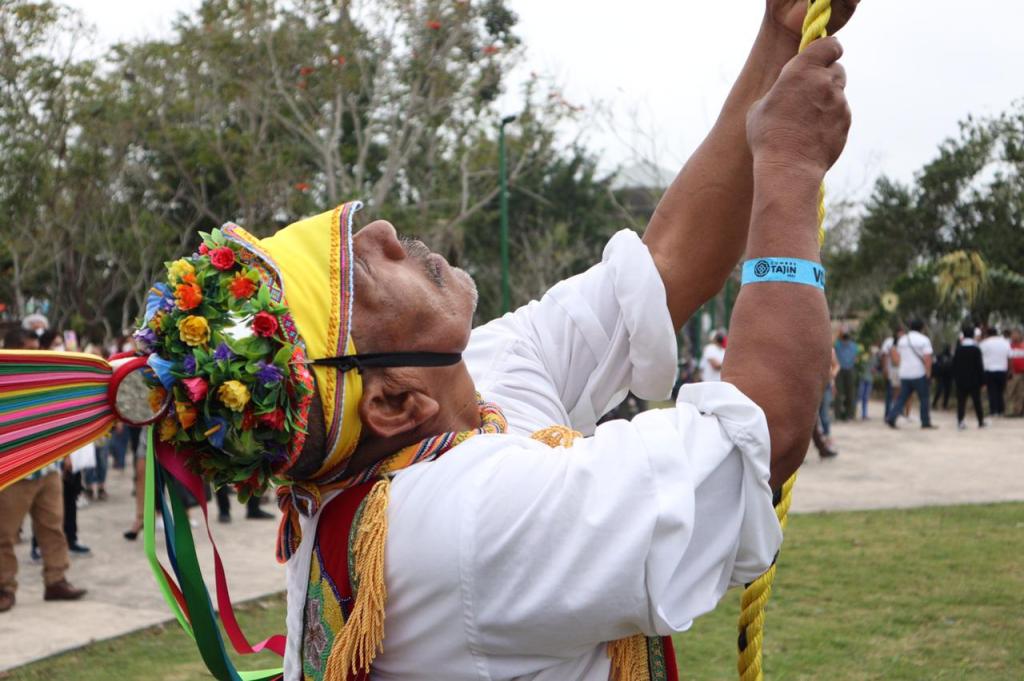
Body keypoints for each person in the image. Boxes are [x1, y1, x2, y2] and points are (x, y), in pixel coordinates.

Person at [5, 3, 859, 676]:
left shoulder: (461, 382)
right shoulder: (458, 523)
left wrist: (777, 32)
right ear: (389, 400)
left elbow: (667, 260)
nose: (384, 229)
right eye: (366, 271)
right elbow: (760, 430)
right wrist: (787, 173)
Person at [0, 327, 87, 612]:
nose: (36, 354)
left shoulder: (43, 378)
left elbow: (54, 418)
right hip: (14, 469)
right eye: (29, 349)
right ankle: (4, 587)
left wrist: (64, 453)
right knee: (4, 534)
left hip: (47, 467)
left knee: (53, 527)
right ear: (12, 350)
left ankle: (56, 580)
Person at [886, 319, 935, 429]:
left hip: (905, 373)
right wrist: (928, 373)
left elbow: (897, 356)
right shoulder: (924, 340)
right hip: (919, 373)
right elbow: (927, 358)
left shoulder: (903, 340)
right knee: (924, 398)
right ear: (922, 328)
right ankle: (925, 421)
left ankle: (892, 417)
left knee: (902, 398)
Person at [952, 323, 986, 430]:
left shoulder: (959, 349)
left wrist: (955, 378)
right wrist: (983, 381)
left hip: (961, 380)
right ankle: (980, 422)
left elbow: (954, 365)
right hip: (974, 381)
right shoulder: (976, 349)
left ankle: (960, 421)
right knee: (977, 401)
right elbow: (979, 366)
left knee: (961, 402)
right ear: (972, 335)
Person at [979, 326, 1011, 417]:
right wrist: (1009, 370)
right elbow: (1009, 357)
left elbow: (980, 357)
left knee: (992, 391)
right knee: (1000, 391)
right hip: (1002, 370)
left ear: (987, 334)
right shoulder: (1005, 342)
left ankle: (994, 411)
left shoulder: (984, 343)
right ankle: (1001, 410)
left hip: (989, 370)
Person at [833, 326, 858, 421]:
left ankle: (847, 415)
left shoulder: (840, 344)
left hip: (846, 370)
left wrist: (839, 333)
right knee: (842, 394)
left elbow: (855, 357)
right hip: (843, 370)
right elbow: (855, 358)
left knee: (849, 393)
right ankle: (844, 415)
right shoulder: (839, 345)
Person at [880, 326, 903, 418]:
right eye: (900, 332)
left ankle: (897, 412)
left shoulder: (903, 342)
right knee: (890, 393)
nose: (901, 335)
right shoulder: (889, 342)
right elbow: (884, 356)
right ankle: (888, 413)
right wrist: (885, 369)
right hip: (891, 371)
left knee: (899, 394)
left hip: (901, 372)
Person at [1007, 328, 1024, 417]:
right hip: (1013, 373)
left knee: (1020, 393)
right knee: (1011, 392)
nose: (1014, 336)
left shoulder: (1023, 345)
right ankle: (1011, 410)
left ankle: (1019, 411)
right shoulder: (1009, 346)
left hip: (1022, 373)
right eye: (1013, 334)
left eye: (1016, 334)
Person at [931, 344, 953, 410]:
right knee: (940, 390)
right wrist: (933, 375)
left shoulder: (951, 356)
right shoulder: (940, 356)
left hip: (948, 376)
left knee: (947, 391)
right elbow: (935, 366)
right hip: (941, 376)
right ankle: (934, 404)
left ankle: (944, 405)